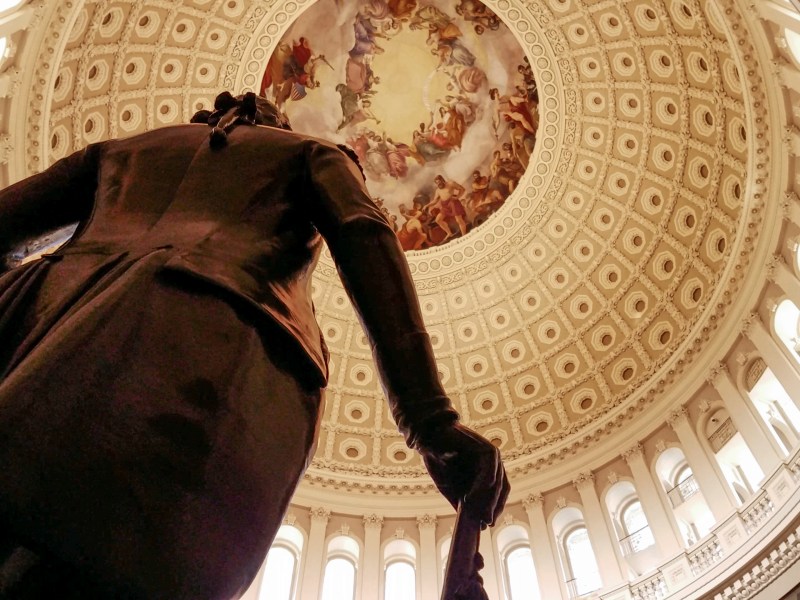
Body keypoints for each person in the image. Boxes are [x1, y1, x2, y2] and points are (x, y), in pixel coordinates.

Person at [0, 91, 509, 599]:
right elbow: (364, 234)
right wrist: (430, 420)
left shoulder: (124, 150)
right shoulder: (309, 152)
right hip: (206, 355)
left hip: (39, 344)